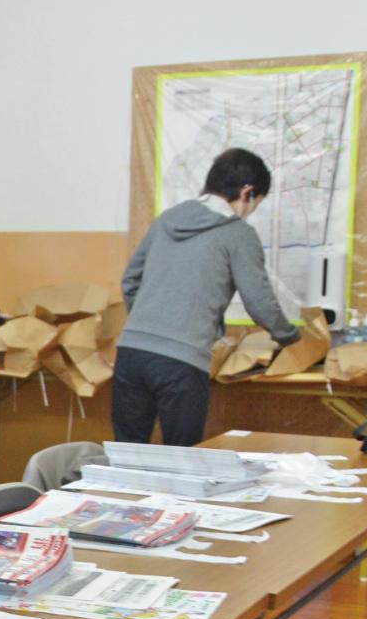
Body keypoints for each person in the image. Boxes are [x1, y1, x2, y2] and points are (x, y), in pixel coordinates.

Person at [114, 147, 302, 447]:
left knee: (126, 456)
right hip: (181, 361)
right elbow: (259, 302)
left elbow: (130, 280)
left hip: (131, 352)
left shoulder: (166, 220)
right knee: (181, 459)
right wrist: (291, 337)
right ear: (247, 192)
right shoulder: (238, 234)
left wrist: (149, 322)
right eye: (256, 204)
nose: (251, 211)